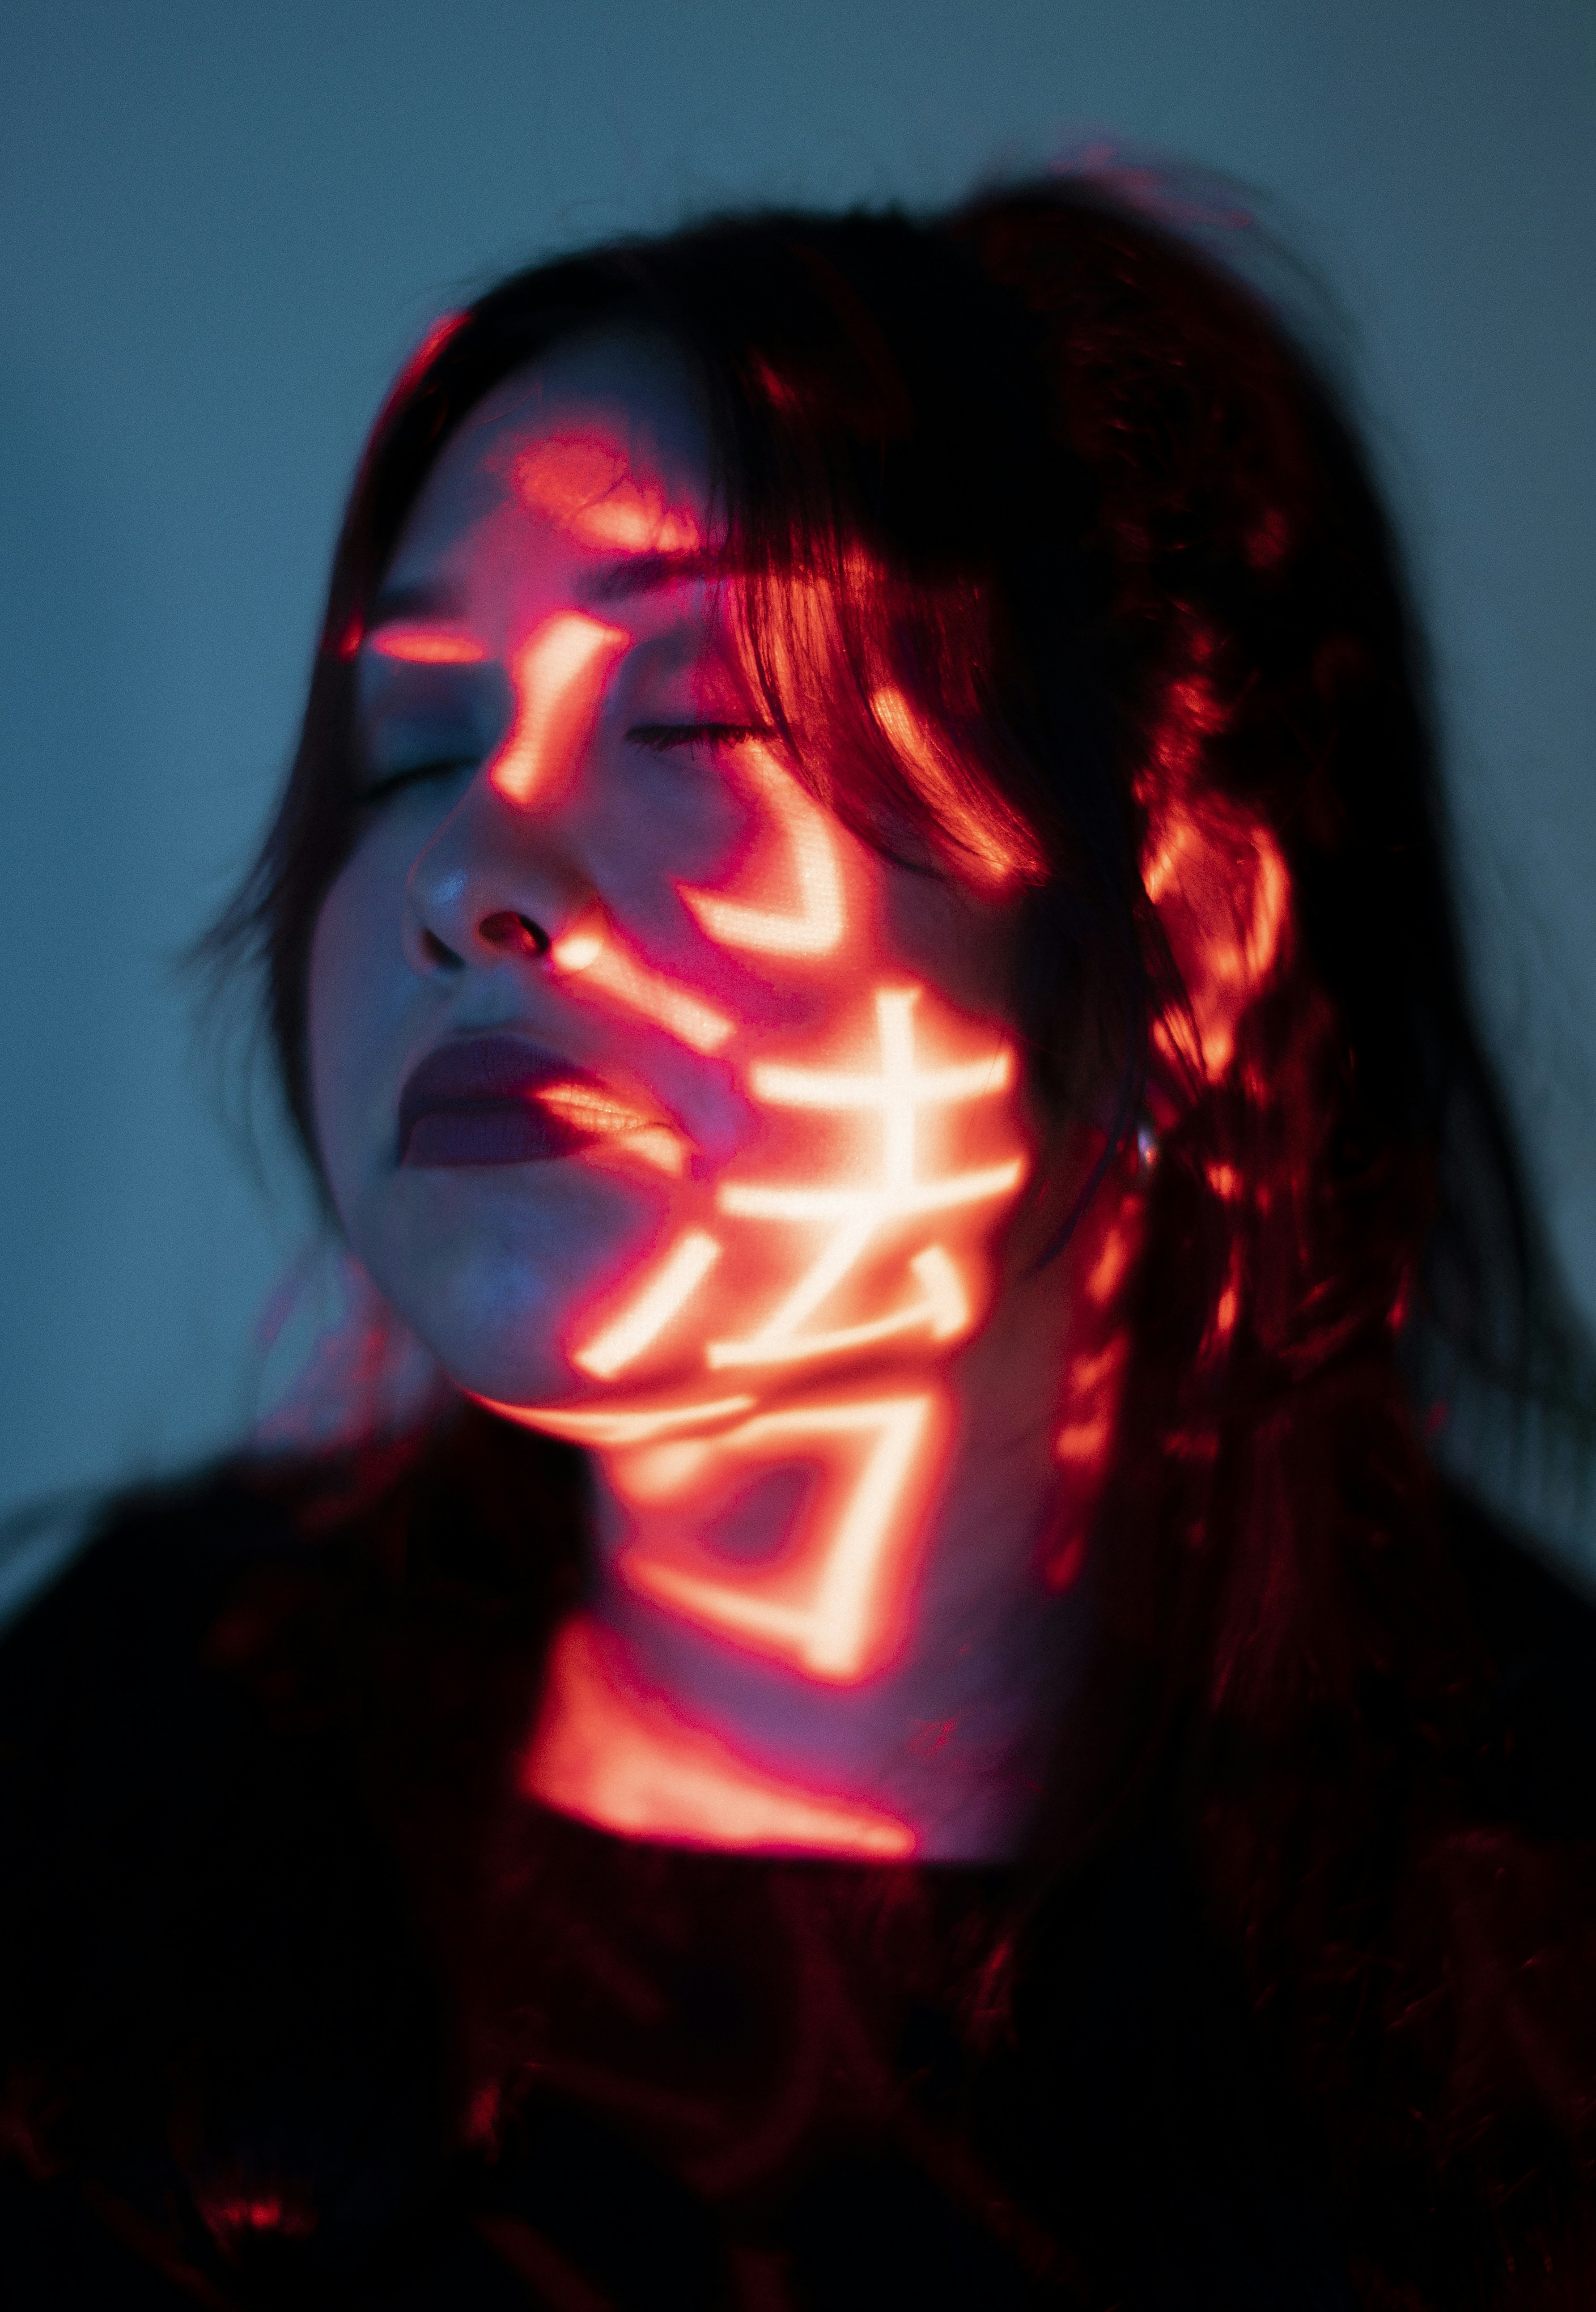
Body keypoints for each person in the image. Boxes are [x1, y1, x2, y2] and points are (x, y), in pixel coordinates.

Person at [3, 173, 1595, 2310]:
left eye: (698, 721)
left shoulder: (1525, 1976)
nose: (469, 862)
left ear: (1189, 933)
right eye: (413, 741)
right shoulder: (130, 1759)